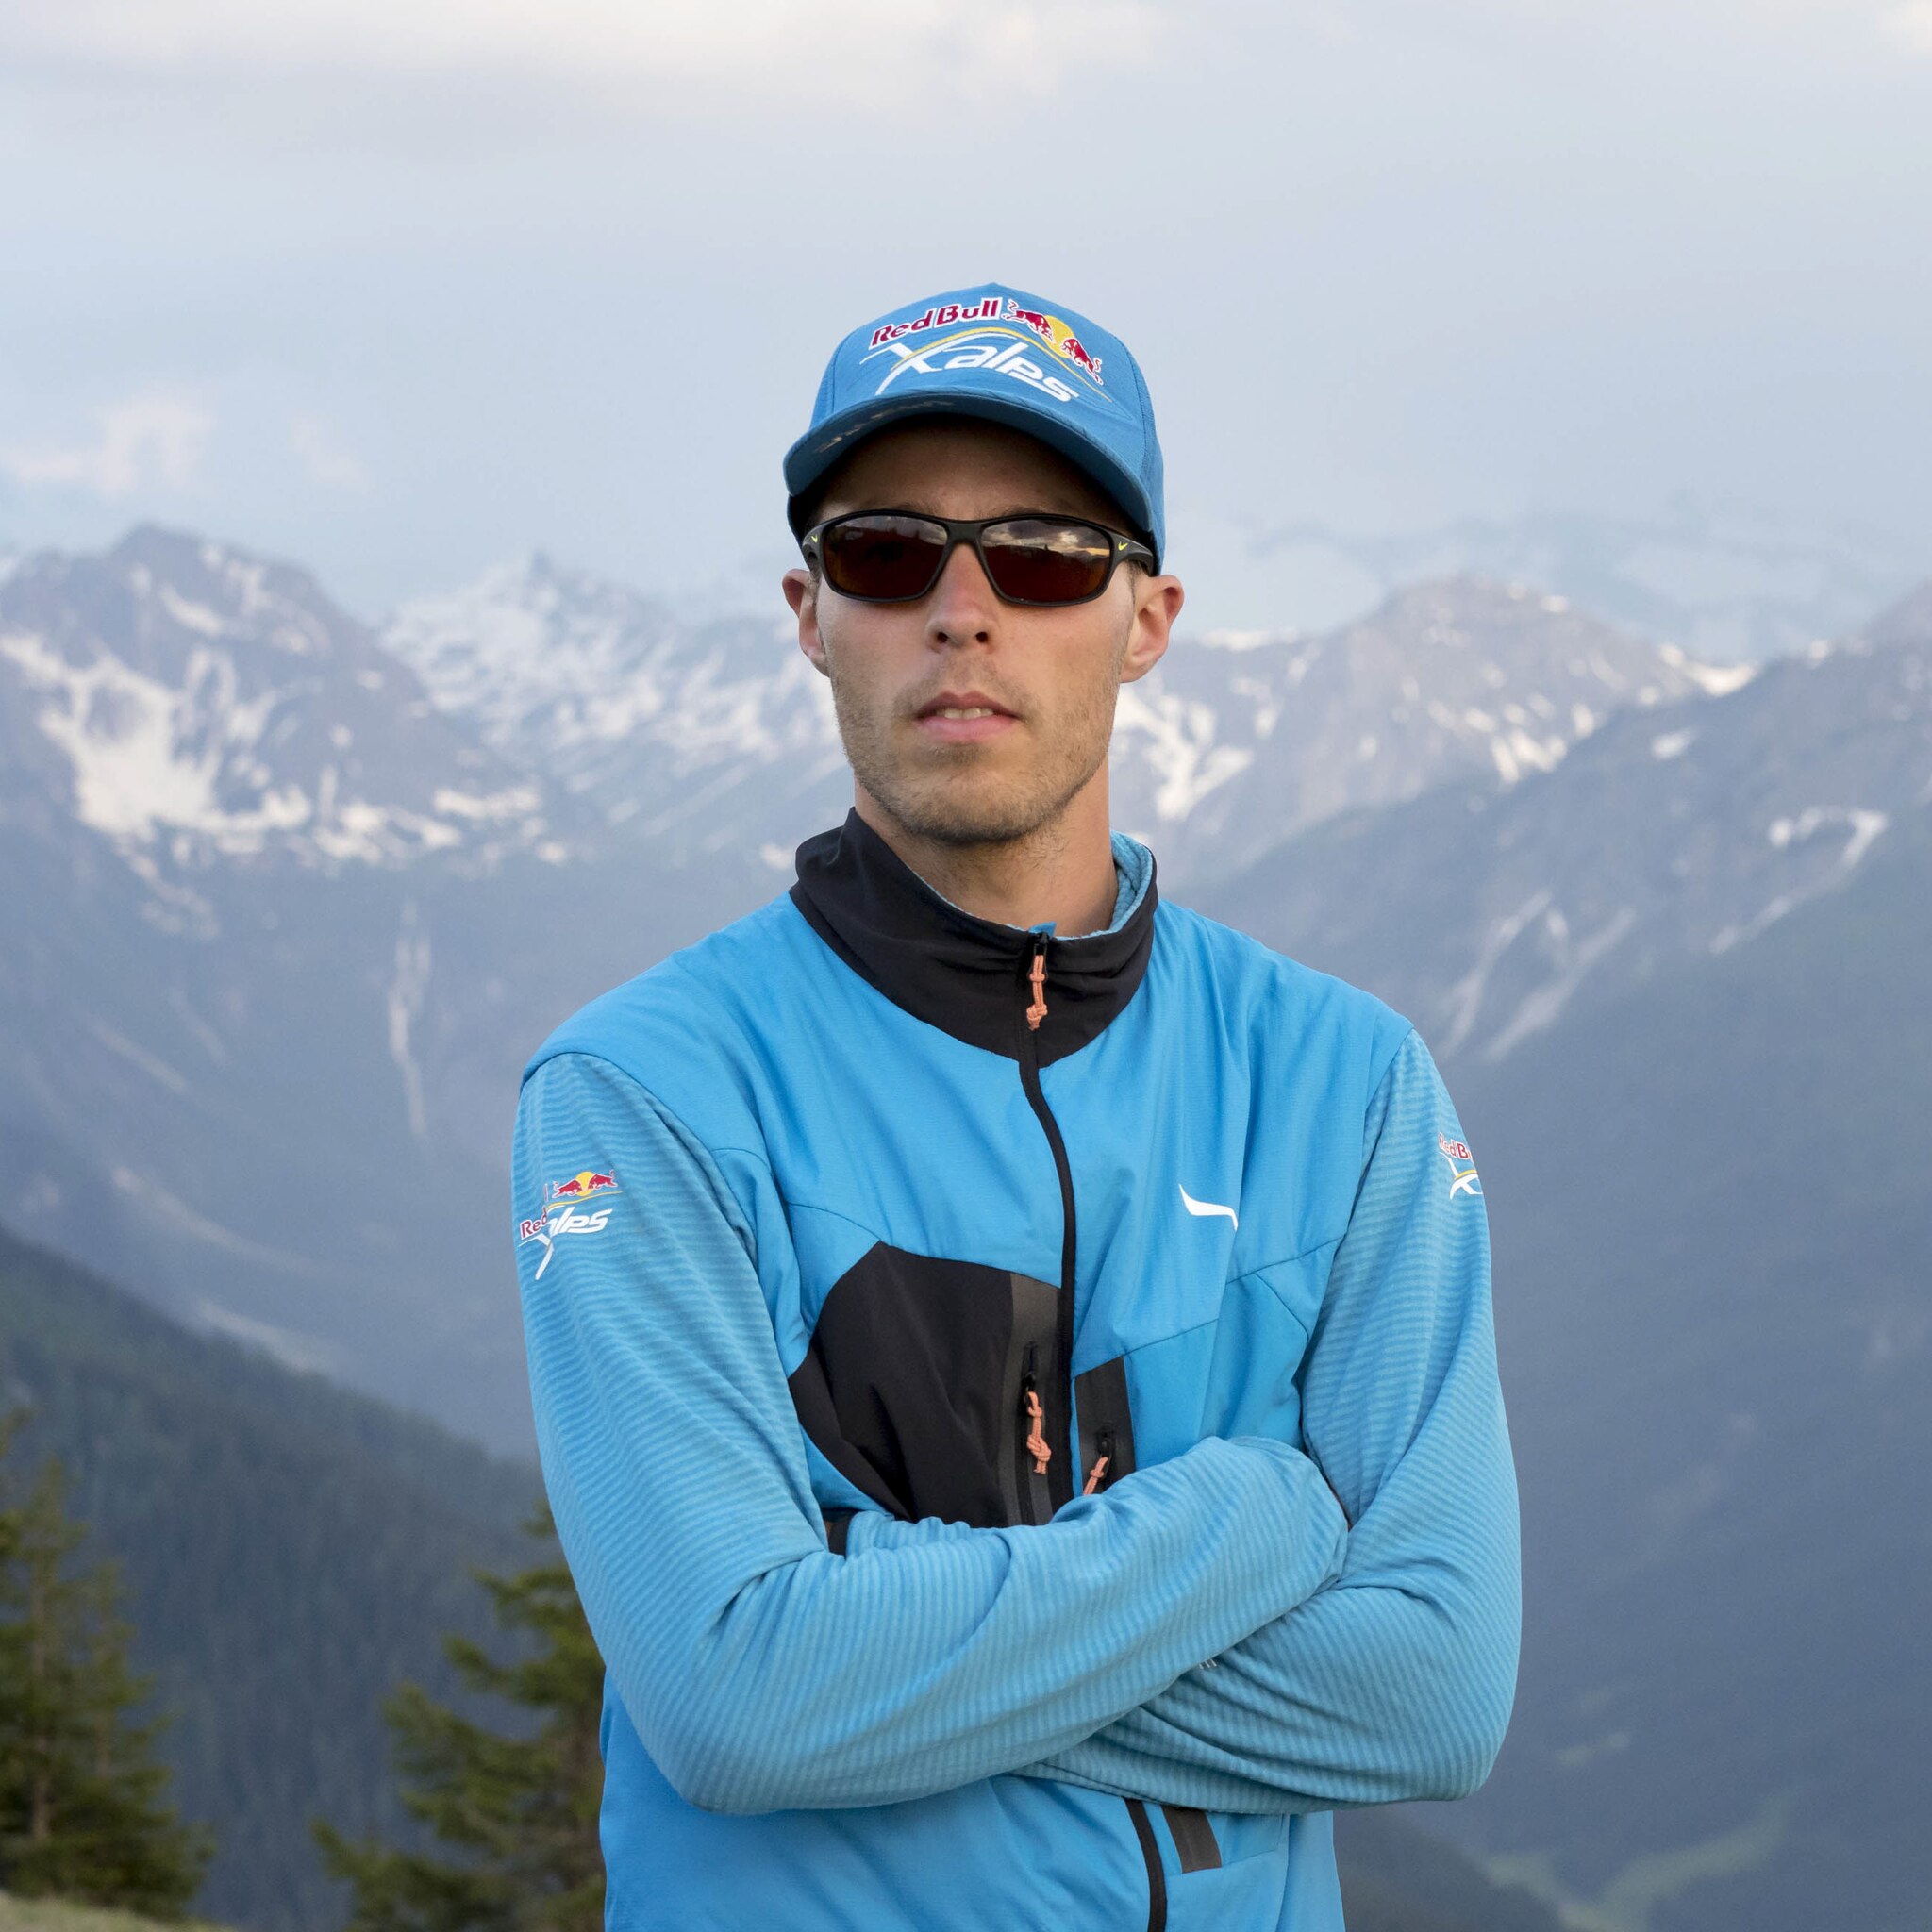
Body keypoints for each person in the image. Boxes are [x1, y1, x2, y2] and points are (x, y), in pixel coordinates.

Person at [512, 282, 1521, 1931]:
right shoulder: (642, 1095)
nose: (961, 611)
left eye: (1043, 556)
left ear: (1147, 618)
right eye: (887, 555)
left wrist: (874, 1632)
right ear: (808, 609)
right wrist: (1249, 1515)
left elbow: (1431, 1693)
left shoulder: (1346, 1085)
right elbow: (732, 1701)